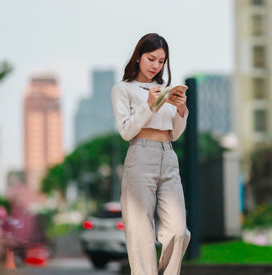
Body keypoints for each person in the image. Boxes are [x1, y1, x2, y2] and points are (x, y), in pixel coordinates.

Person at [111, 33, 191, 275]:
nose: (156, 65)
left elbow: (175, 134)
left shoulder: (165, 91)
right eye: (151, 58)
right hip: (140, 155)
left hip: (168, 156)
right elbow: (126, 131)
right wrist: (149, 105)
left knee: (179, 231)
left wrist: (180, 109)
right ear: (138, 57)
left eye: (161, 61)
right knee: (140, 233)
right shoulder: (123, 89)